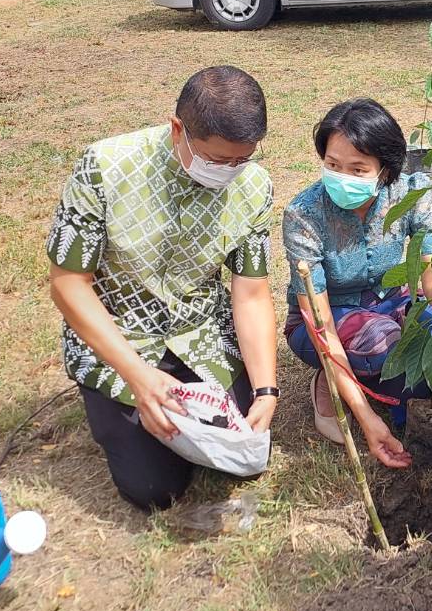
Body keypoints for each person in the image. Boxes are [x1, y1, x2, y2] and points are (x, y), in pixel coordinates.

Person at [47, 66, 279, 512]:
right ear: (178, 129)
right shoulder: (104, 168)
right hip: (122, 341)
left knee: (244, 450)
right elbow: (68, 284)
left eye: (241, 160)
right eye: (217, 160)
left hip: (203, 337)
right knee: (154, 490)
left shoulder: (254, 188)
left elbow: (250, 294)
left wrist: (267, 389)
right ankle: (111, 405)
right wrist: (136, 376)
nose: (229, 172)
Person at [283, 98, 432, 468]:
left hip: (393, 299)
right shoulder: (304, 215)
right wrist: (364, 416)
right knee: (381, 345)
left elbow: (430, 272)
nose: (342, 177)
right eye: (332, 165)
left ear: (385, 170)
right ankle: (334, 380)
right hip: (328, 315)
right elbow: (319, 321)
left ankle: (402, 400)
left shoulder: (410, 193)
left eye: (358, 169)